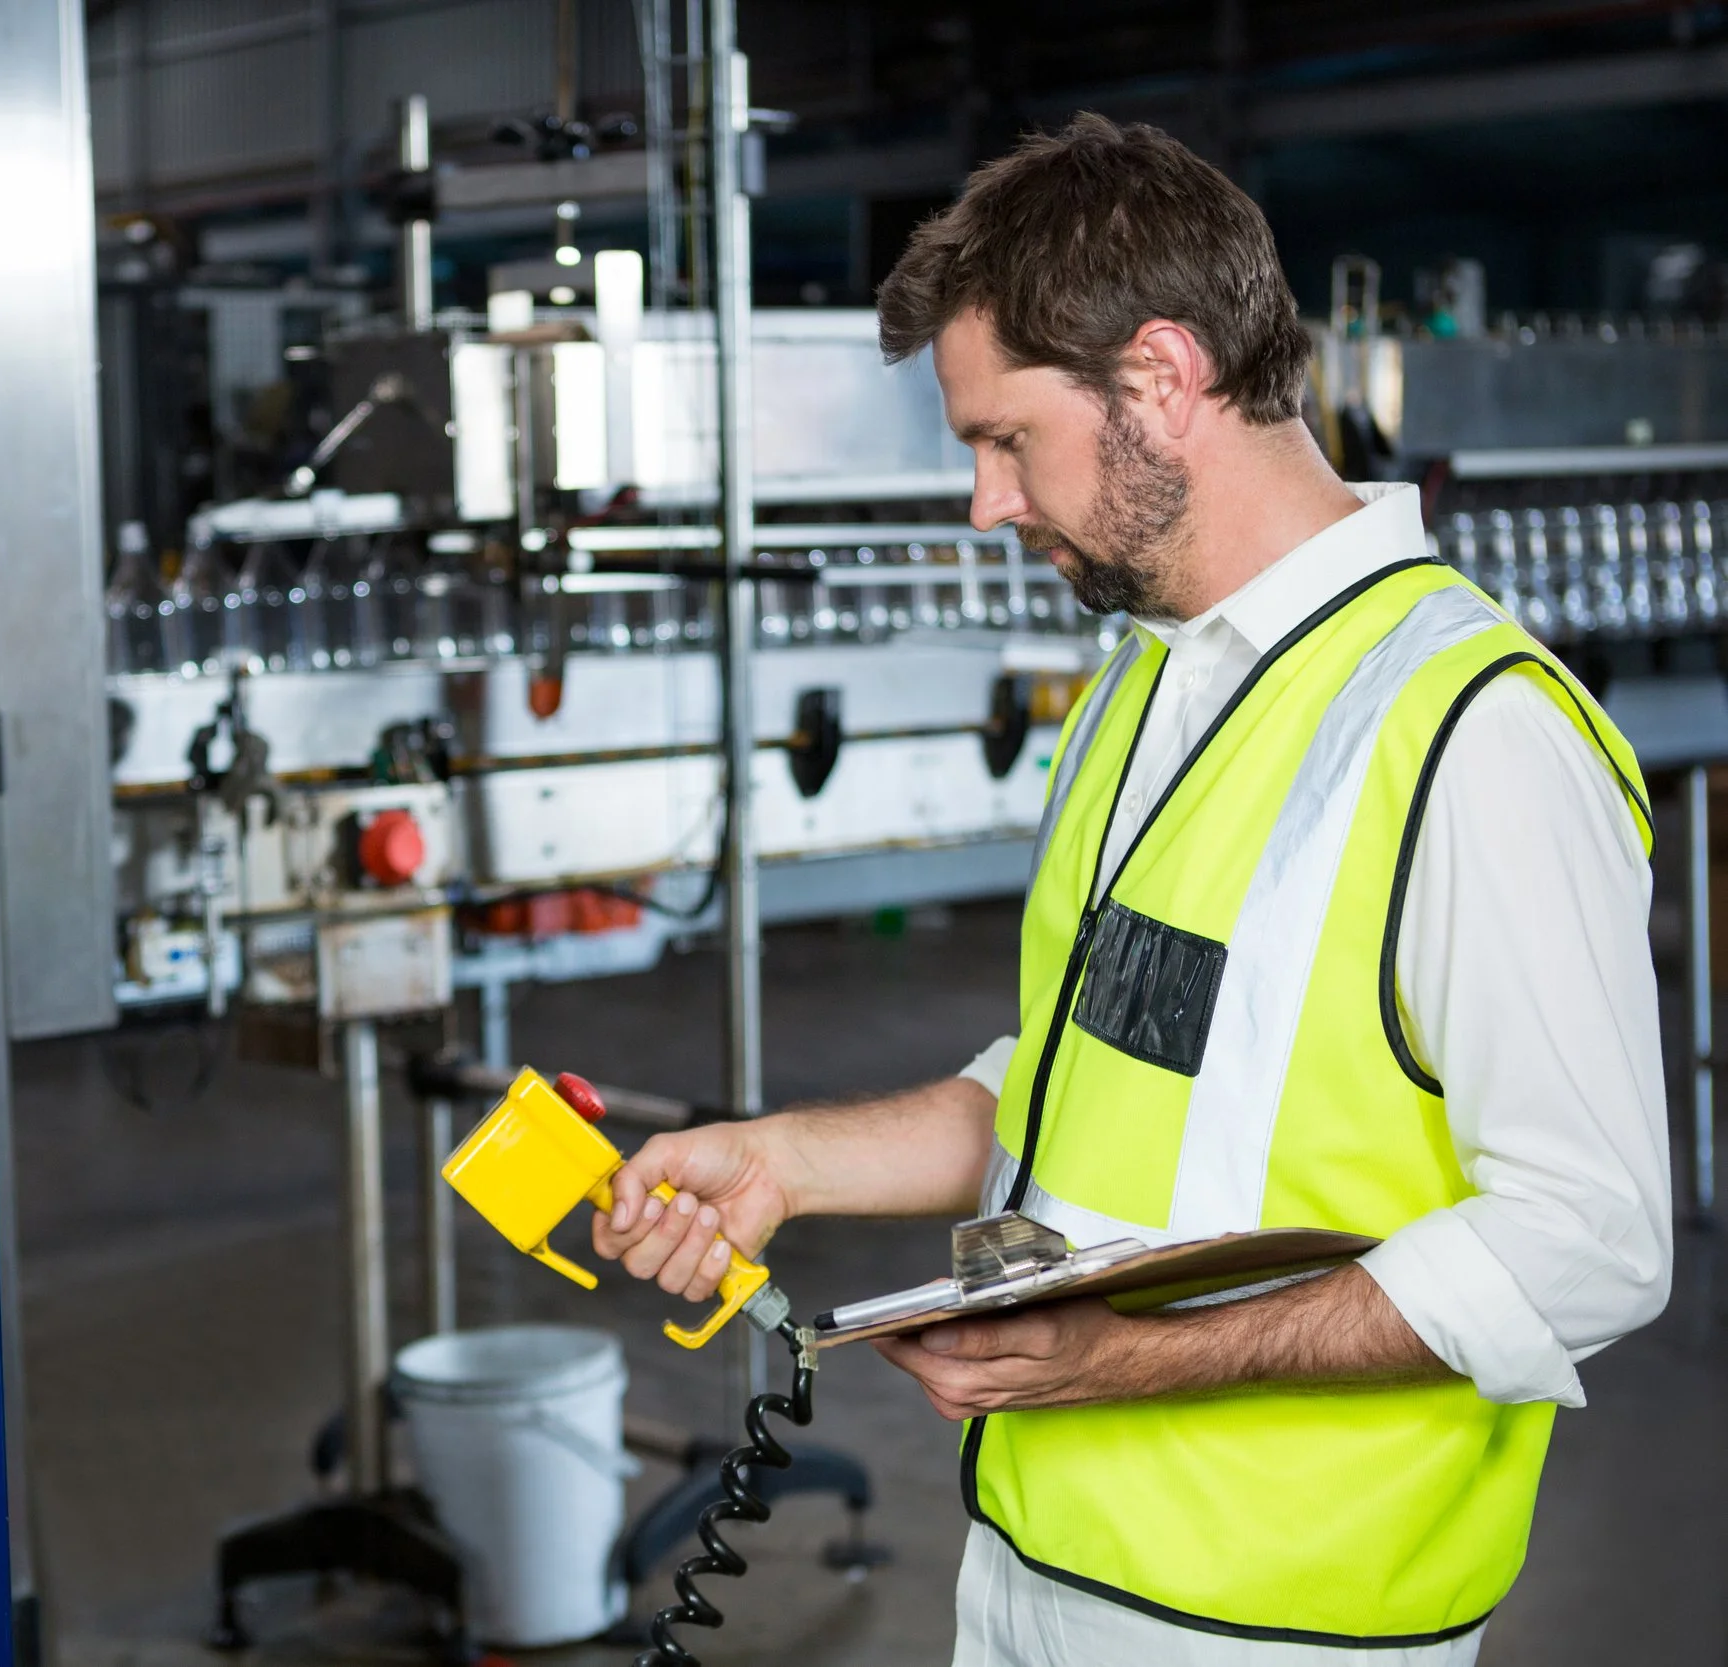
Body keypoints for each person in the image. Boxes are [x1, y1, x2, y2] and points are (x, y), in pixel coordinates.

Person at [588, 114, 1672, 1666]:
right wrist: (788, 1162)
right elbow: (1090, 1087)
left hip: (1279, 1622)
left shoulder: (1469, 730)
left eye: (1005, 440)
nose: (986, 503)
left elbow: (1594, 1236)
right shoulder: (1146, 686)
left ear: (1161, 379)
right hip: (1037, 1570)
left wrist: (1132, 1362)